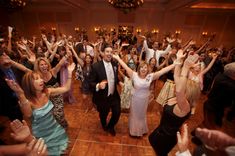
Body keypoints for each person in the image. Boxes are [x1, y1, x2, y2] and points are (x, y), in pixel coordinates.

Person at [5, 63, 75, 155]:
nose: (41, 80)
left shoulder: (47, 92)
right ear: (29, 84)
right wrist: (20, 94)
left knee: (61, 150)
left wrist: (69, 72)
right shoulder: (27, 101)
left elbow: (66, 88)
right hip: (41, 134)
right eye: (37, 79)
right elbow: (28, 114)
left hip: (54, 127)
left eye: (41, 78)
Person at [148, 50, 201, 156]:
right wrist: (178, 60)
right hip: (160, 131)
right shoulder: (179, 98)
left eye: (183, 86)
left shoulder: (185, 106)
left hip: (167, 138)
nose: (177, 84)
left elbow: (179, 90)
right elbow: (176, 76)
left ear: (187, 92)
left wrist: (186, 67)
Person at [112, 52, 176, 137]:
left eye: (145, 68)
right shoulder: (134, 75)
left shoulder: (150, 76)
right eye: (141, 67)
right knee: (134, 115)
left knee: (142, 115)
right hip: (135, 99)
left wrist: (174, 65)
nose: (143, 69)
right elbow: (125, 66)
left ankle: (142, 129)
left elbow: (162, 71)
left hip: (144, 99)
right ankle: (134, 131)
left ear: (147, 69)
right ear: (139, 69)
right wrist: (118, 59)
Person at [89, 44, 120, 136]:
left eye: (111, 52)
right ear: (102, 53)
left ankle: (111, 126)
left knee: (117, 113)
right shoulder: (96, 66)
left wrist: (120, 83)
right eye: (107, 51)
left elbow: (115, 78)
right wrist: (98, 85)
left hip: (114, 95)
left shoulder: (115, 64)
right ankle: (104, 124)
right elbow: (90, 83)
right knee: (103, 114)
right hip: (102, 97)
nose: (109, 54)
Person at [202, 62, 235, 128]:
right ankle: (198, 135)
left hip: (209, 104)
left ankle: (196, 132)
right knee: (212, 126)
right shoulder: (231, 85)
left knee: (207, 122)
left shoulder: (220, 76)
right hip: (214, 109)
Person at [0, 51, 23, 121]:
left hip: (22, 98)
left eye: (7, 58)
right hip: (11, 105)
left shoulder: (15, 68)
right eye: (3, 59)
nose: (6, 61)